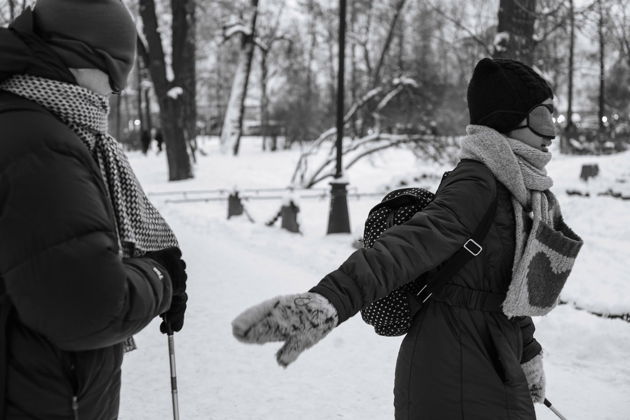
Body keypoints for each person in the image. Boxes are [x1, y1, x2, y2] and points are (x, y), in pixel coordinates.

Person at [232, 58, 582, 420]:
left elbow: (503, 293)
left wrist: (527, 353)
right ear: (507, 119)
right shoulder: (476, 184)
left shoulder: (518, 193)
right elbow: (402, 250)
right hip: (453, 371)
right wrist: (327, 302)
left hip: (493, 361)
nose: (551, 133)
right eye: (543, 117)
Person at [0, 1, 188, 418]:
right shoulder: (41, 145)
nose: (112, 94)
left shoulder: (23, 121)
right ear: (81, 58)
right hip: (37, 396)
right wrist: (159, 279)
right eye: (114, 76)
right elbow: (91, 308)